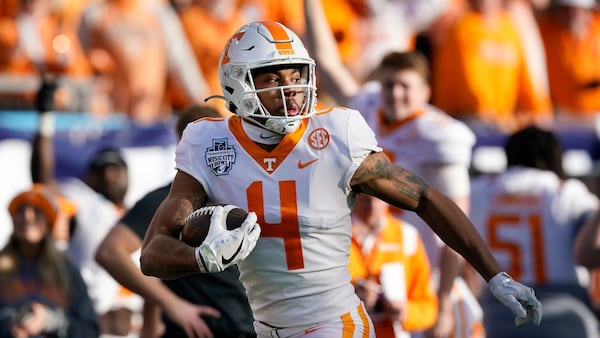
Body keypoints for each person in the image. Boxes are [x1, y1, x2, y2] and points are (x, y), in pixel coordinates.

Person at [139, 20, 542, 338]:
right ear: (238, 84)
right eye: (273, 78)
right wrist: (201, 257)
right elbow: (151, 254)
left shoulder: (335, 135)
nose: (291, 89)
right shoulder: (209, 142)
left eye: (295, 75)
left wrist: (494, 274)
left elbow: (424, 198)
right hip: (266, 328)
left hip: (336, 323)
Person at [302, 2, 485, 337]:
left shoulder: (440, 137)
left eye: (405, 86)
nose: (395, 94)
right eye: (389, 85)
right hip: (372, 264)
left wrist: (442, 301)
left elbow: (456, 226)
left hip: (421, 277)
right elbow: (325, 62)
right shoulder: (370, 106)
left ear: (426, 92)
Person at [95, 104, 256, 338]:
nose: (213, 148)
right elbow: (111, 252)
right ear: (184, 144)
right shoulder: (171, 200)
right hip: (201, 329)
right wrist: (173, 305)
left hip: (255, 327)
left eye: (218, 138)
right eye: (200, 140)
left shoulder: (248, 190)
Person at [469, 125, 599, 338]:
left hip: (500, 314)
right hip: (563, 312)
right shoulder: (566, 193)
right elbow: (590, 249)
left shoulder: (480, 191)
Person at [31, 85, 141, 337]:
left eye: (116, 168)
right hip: (91, 324)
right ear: (91, 177)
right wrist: (45, 119)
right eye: (102, 169)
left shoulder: (144, 214)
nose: (110, 175)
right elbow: (42, 182)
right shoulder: (85, 201)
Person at [0, 186, 99, 338]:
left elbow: (90, 330)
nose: (27, 216)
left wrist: (52, 321)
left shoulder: (67, 270)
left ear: (49, 221)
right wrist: (9, 323)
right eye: (20, 211)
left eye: (37, 211)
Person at [349, 193, 438, 337]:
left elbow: (428, 309)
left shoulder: (407, 236)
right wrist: (351, 297)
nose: (372, 206)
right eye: (366, 199)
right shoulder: (336, 238)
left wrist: (403, 311)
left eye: (377, 198)